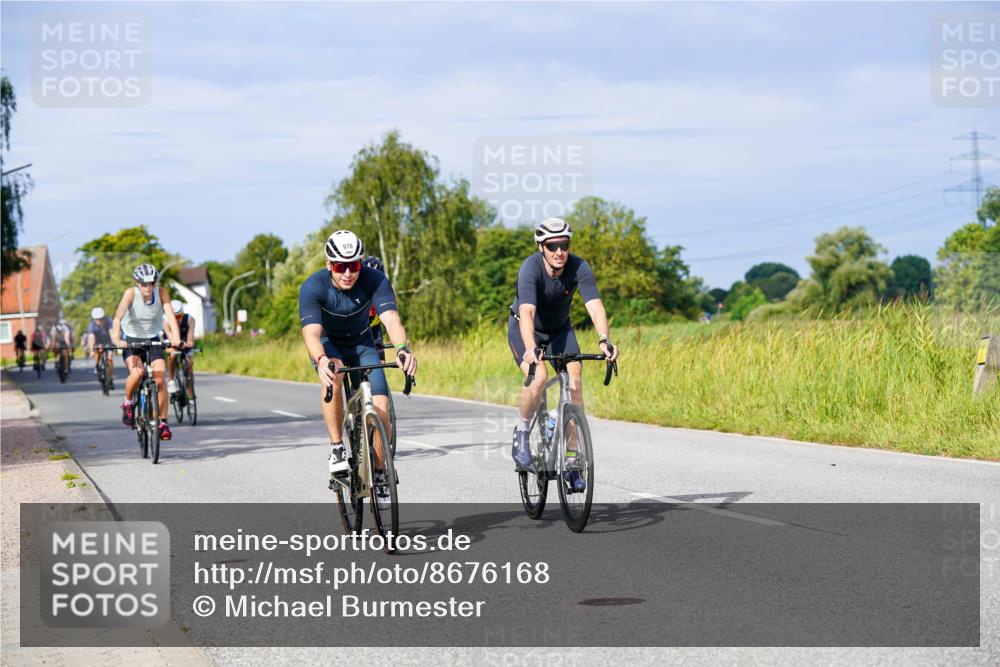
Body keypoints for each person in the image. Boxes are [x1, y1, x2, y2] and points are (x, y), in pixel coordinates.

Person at [508, 218, 620, 491]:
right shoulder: (530, 268)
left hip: (560, 331)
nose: (559, 251)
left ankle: (571, 461)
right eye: (552, 245)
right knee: (539, 377)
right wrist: (531, 347)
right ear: (541, 247)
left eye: (564, 245)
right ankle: (521, 433)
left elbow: (594, 306)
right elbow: (527, 313)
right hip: (526, 329)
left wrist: (604, 340)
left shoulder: (579, 266)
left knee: (575, 382)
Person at [299, 230, 417, 481]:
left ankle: (378, 473)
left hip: (363, 343)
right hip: (329, 344)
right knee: (335, 372)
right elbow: (311, 333)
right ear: (329, 264)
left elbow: (391, 320)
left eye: (354, 265)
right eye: (341, 266)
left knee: (382, 410)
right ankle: (336, 448)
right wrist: (321, 360)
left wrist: (402, 350)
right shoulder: (312, 286)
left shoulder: (375, 280)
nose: (348, 273)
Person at [110, 264, 182, 441]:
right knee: (137, 373)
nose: (148, 287)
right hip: (132, 339)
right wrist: (118, 340)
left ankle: (163, 423)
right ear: (138, 283)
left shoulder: (162, 293)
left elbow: (171, 317)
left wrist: (176, 338)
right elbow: (117, 318)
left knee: (160, 379)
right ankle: (128, 402)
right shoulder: (130, 294)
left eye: (151, 283)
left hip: (153, 338)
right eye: (144, 284)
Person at [166, 300, 196, 397]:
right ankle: (171, 380)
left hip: (184, 340)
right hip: (172, 342)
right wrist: (176, 343)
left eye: (179, 316)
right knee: (172, 355)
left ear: (183, 314)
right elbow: (171, 337)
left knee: (190, 363)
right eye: (174, 317)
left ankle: (190, 394)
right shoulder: (166, 322)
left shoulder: (190, 319)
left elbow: (190, 335)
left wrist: (189, 342)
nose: (177, 319)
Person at [362, 255, 387, 358]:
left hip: (374, 327)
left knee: (380, 361)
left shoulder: (384, 291)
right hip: (355, 329)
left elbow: (391, 318)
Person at [84, 307, 114, 379]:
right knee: (97, 350)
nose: (99, 320)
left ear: (103, 317)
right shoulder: (91, 325)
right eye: (96, 319)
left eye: (100, 318)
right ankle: (97, 364)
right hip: (97, 341)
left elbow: (112, 333)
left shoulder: (108, 321)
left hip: (107, 341)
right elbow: (91, 338)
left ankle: (110, 378)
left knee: (110, 358)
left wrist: (114, 343)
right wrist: (91, 350)